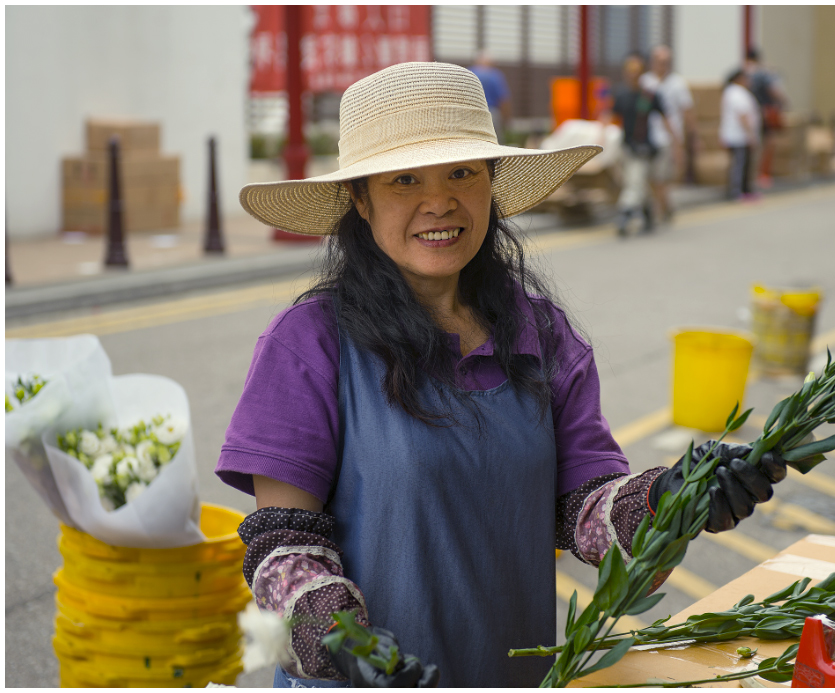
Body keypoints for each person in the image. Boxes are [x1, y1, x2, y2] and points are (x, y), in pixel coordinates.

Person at [218, 61, 787, 688]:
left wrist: (675, 496)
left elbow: (583, 511)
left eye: (463, 172)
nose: (440, 202)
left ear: (491, 183)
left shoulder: (538, 334)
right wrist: (339, 635)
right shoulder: (308, 345)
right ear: (360, 198)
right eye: (405, 179)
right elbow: (282, 547)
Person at [607, 53, 680, 236]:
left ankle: (624, 214)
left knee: (635, 182)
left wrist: (677, 143)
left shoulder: (649, 95)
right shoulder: (621, 94)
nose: (632, 74)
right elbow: (609, 116)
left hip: (643, 148)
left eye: (636, 70)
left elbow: (665, 118)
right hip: (626, 147)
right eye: (629, 70)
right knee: (638, 183)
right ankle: (648, 213)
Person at [639, 45, 695, 224]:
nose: (662, 65)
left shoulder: (678, 83)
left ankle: (662, 209)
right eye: (659, 61)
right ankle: (665, 206)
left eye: (666, 62)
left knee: (661, 178)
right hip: (646, 138)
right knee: (648, 178)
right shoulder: (644, 82)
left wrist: (686, 140)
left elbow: (687, 112)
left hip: (667, 138)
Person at [744, 48, 786, 189]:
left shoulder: (743, 73)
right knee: (769, 143)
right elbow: (774, 91)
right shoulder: (764, 74)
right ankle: (763, 174)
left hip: (748, 113)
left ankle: (752, 174)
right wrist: (784, 102)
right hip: (765, 112)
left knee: (752, 143)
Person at [719, 68, 761, 201]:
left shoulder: (732, 92)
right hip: (739, 136)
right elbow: (742, 116)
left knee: (742, 164)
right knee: (739, 165)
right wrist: (751, 135)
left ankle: (744, 189)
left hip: (736, 135)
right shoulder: (737, 93)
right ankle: (736, 191)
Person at [468, 50, 512, 145]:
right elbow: (503, 99)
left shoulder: (469, 73)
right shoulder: (495, 75)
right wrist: (506, 120)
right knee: (495, 144)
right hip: (491, 114)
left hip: (470, 113)